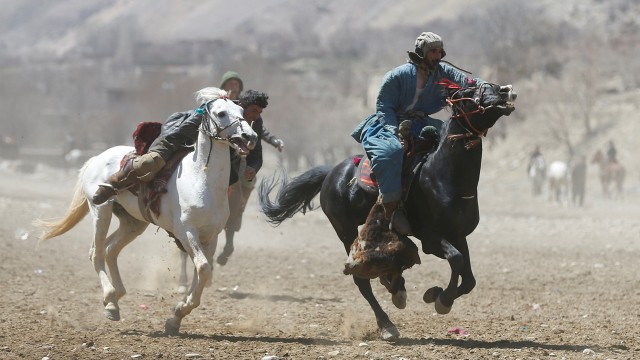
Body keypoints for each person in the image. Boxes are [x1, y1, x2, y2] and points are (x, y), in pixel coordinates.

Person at [350, 31, 485, 235]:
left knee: (453, 141)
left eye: (440, 51)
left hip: (420, 122)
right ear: (421, 52)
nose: (437, 56)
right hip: (389, 122)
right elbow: (384, 105)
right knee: (392, 152)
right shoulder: (397, 75)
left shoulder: (443, 72)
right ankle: (392, 211)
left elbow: (469, 83)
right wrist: (393, 131)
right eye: (432, 51)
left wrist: (492, 91)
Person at [92, 89, 270, 205]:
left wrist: (252, 168)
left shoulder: (255, 123)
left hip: (218, 157)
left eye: (259, 113)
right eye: (253, 111)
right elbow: (184, 130)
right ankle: (112, 185)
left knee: (232, 180)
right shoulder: (220, 109)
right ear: (242, 106)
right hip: (178, 140)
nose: (256, 116)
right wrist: (202, 114)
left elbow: (257, 151)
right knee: (148, 163)